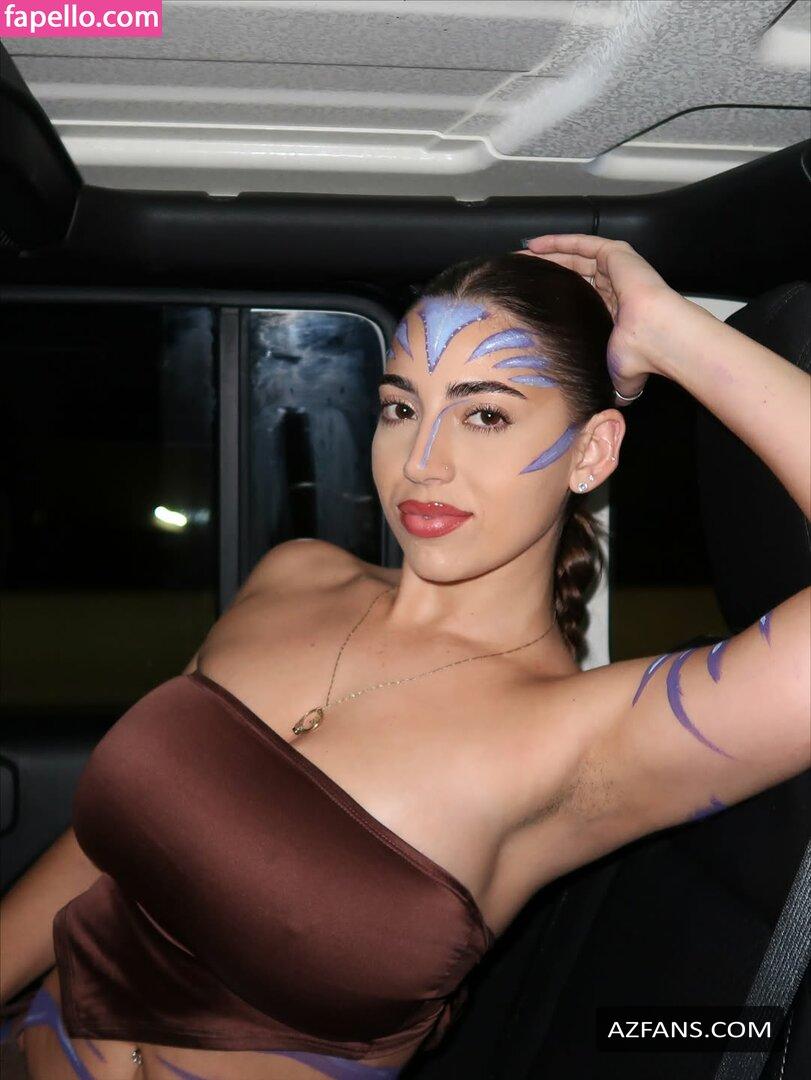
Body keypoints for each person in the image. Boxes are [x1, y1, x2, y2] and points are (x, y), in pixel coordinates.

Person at [1, 235, 809, 1080]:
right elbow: (109, 852)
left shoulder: (585, 736)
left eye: (485, 415)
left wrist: (671, 334)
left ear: (591, 452)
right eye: (399, 408)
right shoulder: (295, 577)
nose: (421, 463)